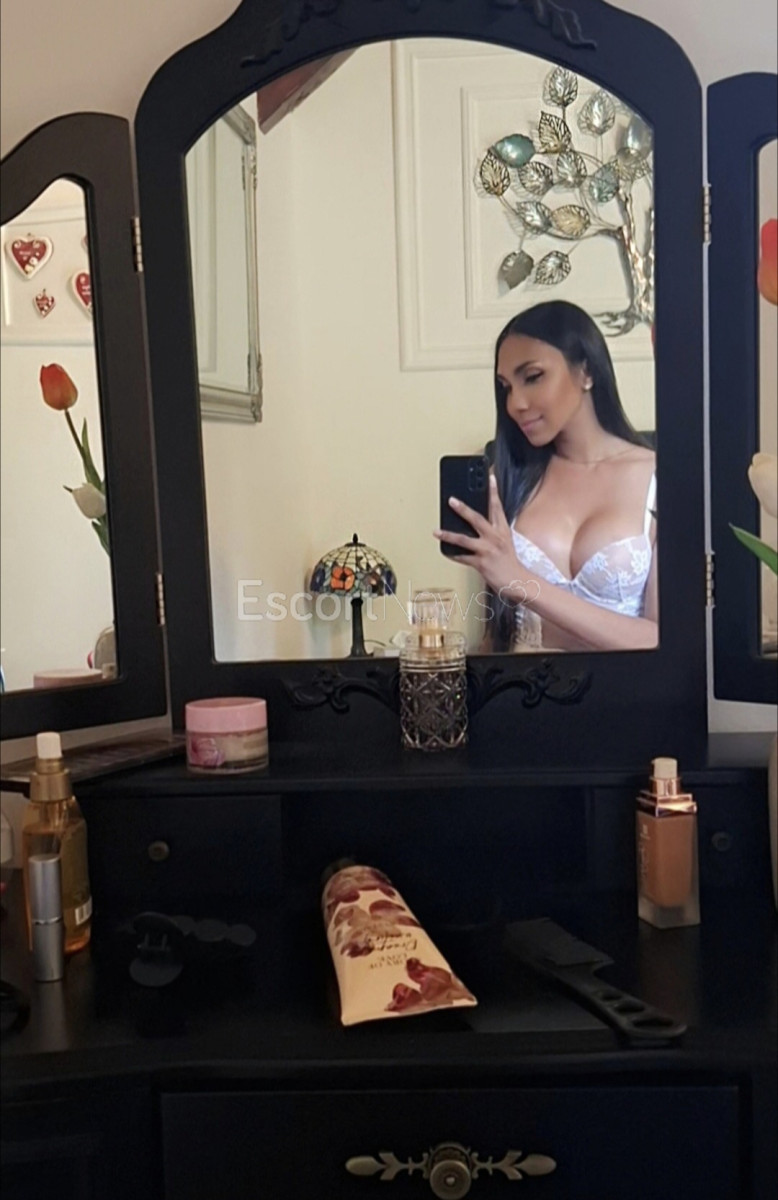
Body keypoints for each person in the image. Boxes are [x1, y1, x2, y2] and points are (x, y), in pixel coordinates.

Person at [434, 300, 657, 652]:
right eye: (506, 387)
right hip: (525, 684)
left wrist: (520, 581)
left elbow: (661, 639)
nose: (515, 404)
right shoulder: (506, 481)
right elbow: (499, 635)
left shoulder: (658, 480)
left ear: (586, 371)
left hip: (633, 686)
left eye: (533, 377)